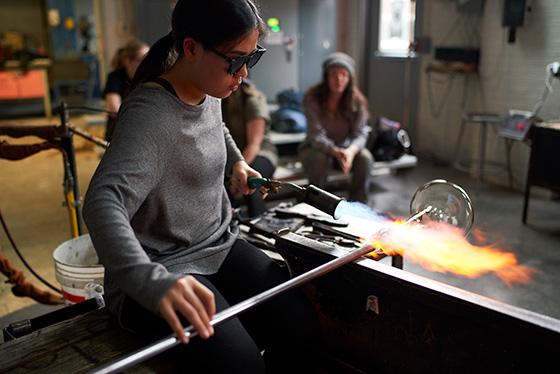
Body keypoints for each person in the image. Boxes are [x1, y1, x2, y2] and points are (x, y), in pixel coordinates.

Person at [83, 1, 318, 372]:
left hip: (217, 243)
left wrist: (237, 160)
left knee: (297, 323)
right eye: (235, 60)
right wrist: (151, 282)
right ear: (191, 48)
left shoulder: (210, 86)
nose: (242, 73)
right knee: (240, 363)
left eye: (251, 57)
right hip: (163, 266)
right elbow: (102, 202)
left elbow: (217, 129)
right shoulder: (150, 117)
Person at [299, 52, 373, 203]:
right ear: (326, 77)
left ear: (349, 78)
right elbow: (316, 135)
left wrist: (350, 152)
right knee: (319, 160)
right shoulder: (312, 98)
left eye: (343, 74)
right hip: (316, 149)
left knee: (365, 158)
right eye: (334, 74)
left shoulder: (357, 101)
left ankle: (358, 206)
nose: (339, 79)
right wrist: (335, 152)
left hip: (345, 149)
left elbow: (360, 134)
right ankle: (316, 204)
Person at [222, 78, 278, 217]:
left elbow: (254, 144)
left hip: (260, 153)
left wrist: (238, 172)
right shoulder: (219, 100)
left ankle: (260, 224)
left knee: (249, 182)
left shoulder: (252, 100)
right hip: (235, 155)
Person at [102, 39, 149, 141]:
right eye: (143, 60)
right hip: (118, 135)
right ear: (128, 61)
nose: (148, 64)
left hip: (143, 133)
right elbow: (115, 109)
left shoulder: (148, 79)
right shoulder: (115, 78)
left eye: (149, 60)